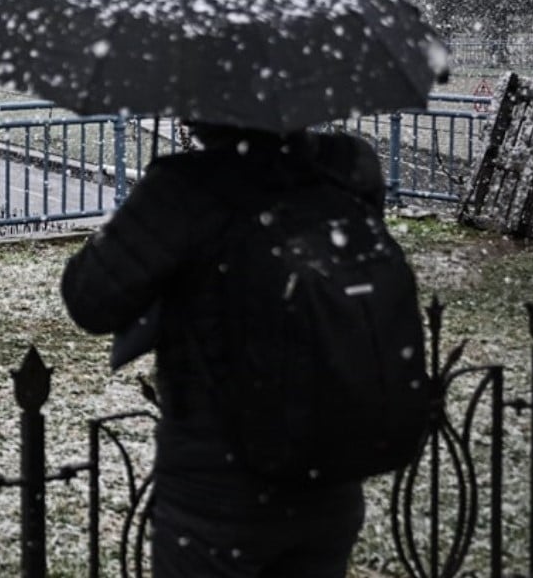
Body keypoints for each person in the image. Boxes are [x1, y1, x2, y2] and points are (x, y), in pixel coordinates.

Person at [60, 121, 386, 578]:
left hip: (217, 490)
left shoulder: (185, 188)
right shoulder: (350, 165)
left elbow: (88, 298)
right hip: (327, 475)